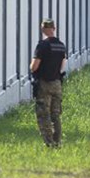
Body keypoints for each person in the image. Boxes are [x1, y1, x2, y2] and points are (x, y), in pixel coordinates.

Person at [30, 18, 68, 148]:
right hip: (57, 83)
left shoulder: (42, 45)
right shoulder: (61, 46)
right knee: (55, 114)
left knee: (43, 114)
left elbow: (34, 66)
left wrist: (31, 66)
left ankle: (49, 143)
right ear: (54, 28)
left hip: (44, 84)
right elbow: (62, 65)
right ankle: (57, 142)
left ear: (43, 29)